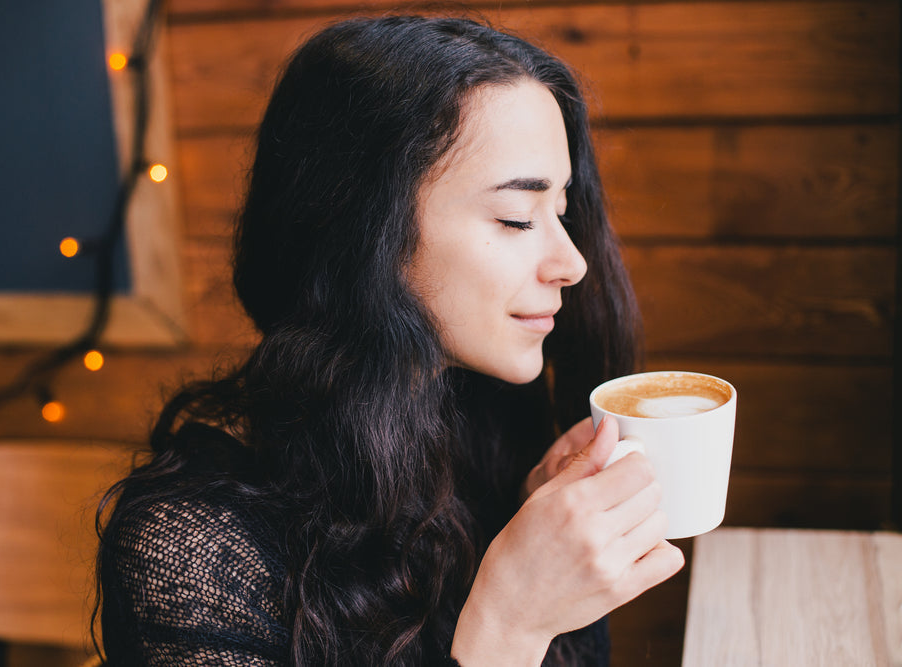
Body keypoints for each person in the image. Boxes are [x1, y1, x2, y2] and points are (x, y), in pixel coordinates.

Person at [95, 14, 684, 667]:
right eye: (517, 217)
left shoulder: (483, 436)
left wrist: (533, 543)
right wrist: (509, 623)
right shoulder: (193, 543)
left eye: (563, 211)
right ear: (363, 233)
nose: (572, 262)